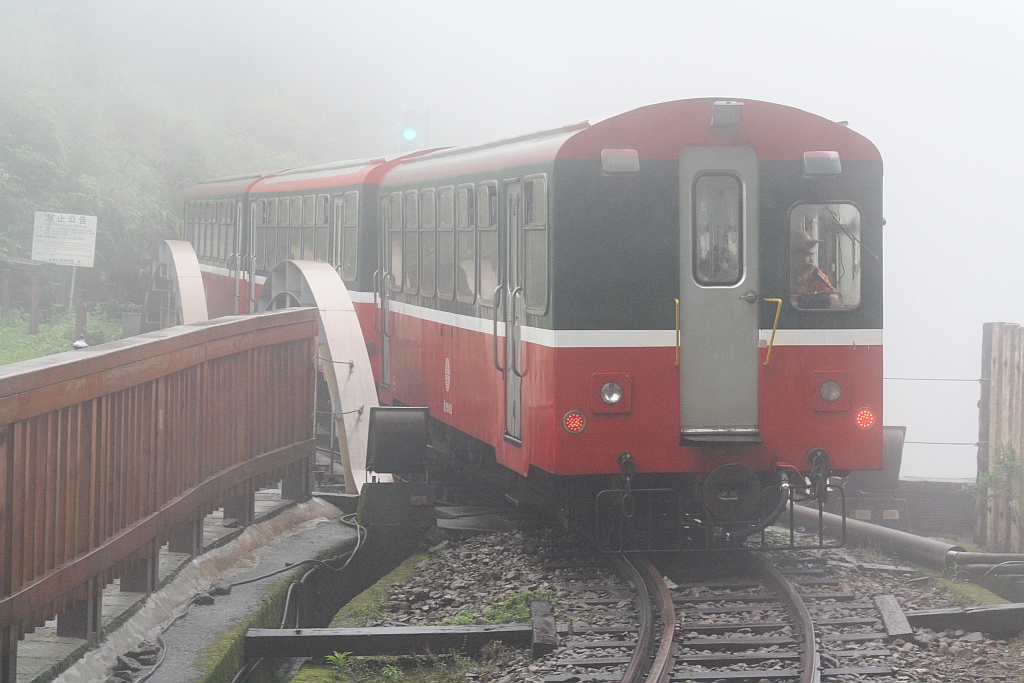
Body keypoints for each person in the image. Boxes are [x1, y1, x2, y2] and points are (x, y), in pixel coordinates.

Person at [791, 232, 840, 309]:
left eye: (812, 255)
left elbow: (832, 291)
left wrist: (834, 295)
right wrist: (803, 277)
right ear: (794, 255)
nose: (812, 261)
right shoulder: (784, 275)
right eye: (807, 255)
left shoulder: (814, 273)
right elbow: (793, 301)